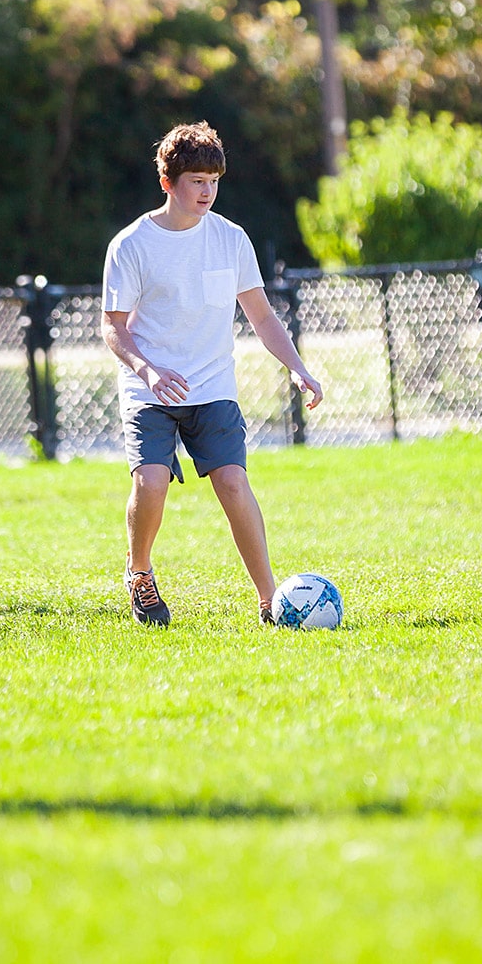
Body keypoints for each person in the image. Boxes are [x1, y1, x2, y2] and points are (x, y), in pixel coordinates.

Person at [100, 123, 324, 626]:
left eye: (214, 181)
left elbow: (262, 316)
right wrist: (148, 370)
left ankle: (272, 601)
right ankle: (139, 572)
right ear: (168, 183)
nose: (207, 191)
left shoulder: (231, 239)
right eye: (196, 180)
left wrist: (298, 369)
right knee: (152, 481)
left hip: (212, 384)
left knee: (232, 480)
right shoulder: (132, 244)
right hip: (149, 386)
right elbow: (112, 329)